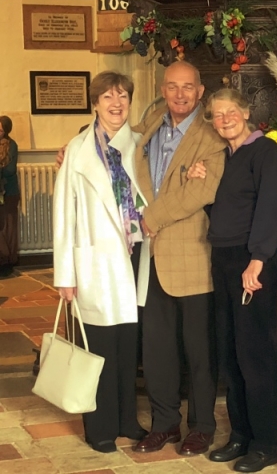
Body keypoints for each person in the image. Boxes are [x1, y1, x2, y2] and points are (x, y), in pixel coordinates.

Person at [189, 88, 277, 472]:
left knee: (255, 357)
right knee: (230, 355)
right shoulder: (225, 157)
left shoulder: (266, 152)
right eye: (217, 114)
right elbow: (225, 209)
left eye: (231, 111)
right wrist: (198, 178)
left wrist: (258, 260)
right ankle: (240, 436)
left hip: (252, 263)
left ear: (246, 113)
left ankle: (265, 445)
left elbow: (271, 206)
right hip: (225, 259)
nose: (225, 118)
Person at [131, 61, 226, 457]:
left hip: (192, 259)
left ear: (200, 91)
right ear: (163, 89)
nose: (181, 94)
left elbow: (201, 192)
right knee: (156, 351)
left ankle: (202, 426)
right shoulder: (152, 123)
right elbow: (117, 141)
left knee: (199, 352)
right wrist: (76, 144)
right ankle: (165, 423)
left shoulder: (211, 136)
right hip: (150, 260)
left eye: (188, 87)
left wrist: (149, 218)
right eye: (173, 87)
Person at [53, 71, 150, 453]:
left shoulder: (140, 144)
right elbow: (63, 216)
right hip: (94, 264)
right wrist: (65, 275)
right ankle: (101, 427)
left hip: (134, 257)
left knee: (129, 347)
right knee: (99, 350)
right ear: (95, 103)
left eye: (123, 96)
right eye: (108, 97)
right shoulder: (76, 150)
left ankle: (128, 419)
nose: (116, 104)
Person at [0, 116, 20, 277]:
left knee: (8, 227)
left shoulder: (11, 145)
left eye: (0, 130)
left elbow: (9, 170)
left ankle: (9, 261)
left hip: (9, 191)